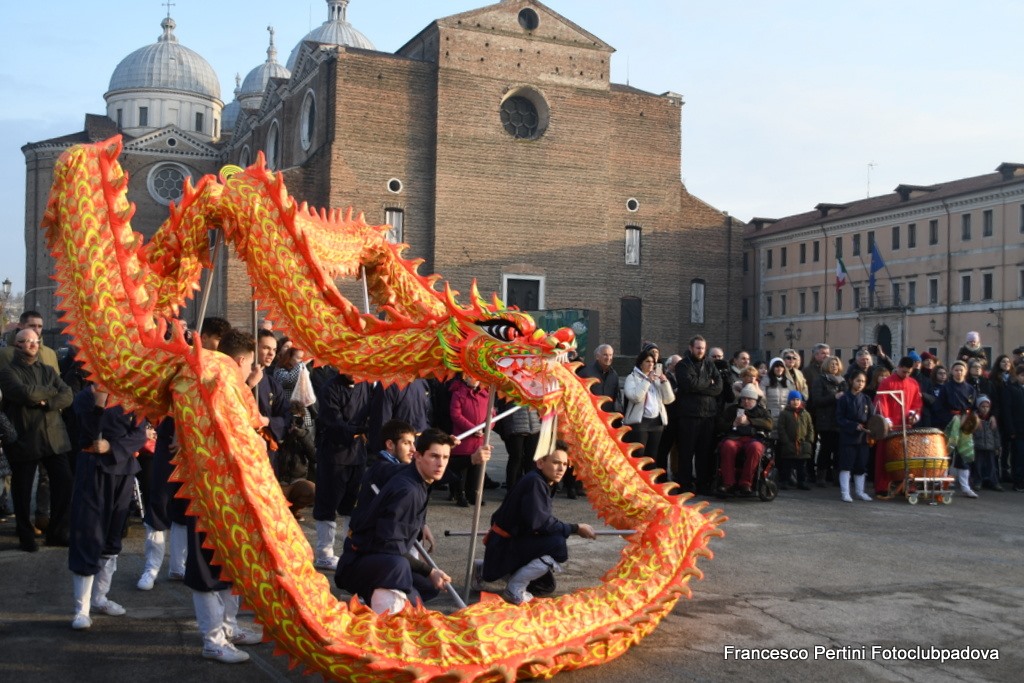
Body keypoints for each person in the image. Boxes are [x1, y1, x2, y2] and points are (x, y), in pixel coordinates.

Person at [184, 329, 263, 663]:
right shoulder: (207, 383)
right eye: (250, 366)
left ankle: (229, 628)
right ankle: (212, 639)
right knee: (206, 567)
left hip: (232, 492)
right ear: (241, 360)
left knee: (232, 562)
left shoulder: (233, 386)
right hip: (206, 487)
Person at [335, 429, 458, 614]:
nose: (440, 464)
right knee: (400, 569)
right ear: (417, 455)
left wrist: (472, 458)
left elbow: (441, 472)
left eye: (445, 457)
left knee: (428, 587)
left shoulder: (417, 476)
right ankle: (378, 615)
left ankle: (365, 599)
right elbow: (390, 546)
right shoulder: (407, 490)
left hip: (378, 558)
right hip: (358, 562)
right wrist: (430, 571)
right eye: (434, 456)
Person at [68, 385, 149, 630]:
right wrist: (99, 405)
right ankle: (81, 609)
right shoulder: (84, 397)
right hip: (93, 470)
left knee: (114, 535)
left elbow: (140, 433)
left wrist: (112, 448)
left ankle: (100, 597)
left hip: (123, 469)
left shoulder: (131, 395)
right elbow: (87, 432)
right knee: (88, 533)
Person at [480, 440, 596, 604]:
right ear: (540, 463)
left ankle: (487, 568)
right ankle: (513, 587)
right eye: (556, 462)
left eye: (564, 463)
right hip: (503, 544)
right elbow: (541, 523)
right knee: (557, 544)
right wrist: (575, 528)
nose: (561, 468)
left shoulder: (542, 481)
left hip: (505, 542)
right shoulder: (535, 482)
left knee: (545, 586)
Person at [0, 328, 74, 552]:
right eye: (26, 341)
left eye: (35, 341)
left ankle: (57, 532)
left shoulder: (49, 369)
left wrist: (48, 402)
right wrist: (49, 392)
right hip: (25, 438)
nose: (32, 344)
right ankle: (25, 535)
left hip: (54, 437)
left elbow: (67, 395)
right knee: (22, 491)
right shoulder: (7, 371)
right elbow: (24, 394)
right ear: (17, 345)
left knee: (65, 483)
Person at [312, 371, 372, 570]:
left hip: (358, 454)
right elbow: (333, 422)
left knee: (352, 506)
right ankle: (324, 552)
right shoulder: (330, 387)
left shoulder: (365, 384)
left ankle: (351, 549)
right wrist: (360, 429)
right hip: (334, 453)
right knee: (327, 504)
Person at [674, 335, 722, 494]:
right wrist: (708, 382)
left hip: (708, 415)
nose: (701, 351)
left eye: (703, 348)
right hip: (689, 416)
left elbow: (719, 387)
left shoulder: (709, 363)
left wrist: (701, 386)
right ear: (691, 348)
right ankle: (685, 485)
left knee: (704, 453)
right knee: (686, 453)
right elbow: (688, 385)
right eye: (698, 348)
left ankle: (703, 485)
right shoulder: (682, 365)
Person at [873, 356, 923, 497]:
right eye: (903, 371)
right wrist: (886, 420)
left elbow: (916, 403)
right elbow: (881, 402)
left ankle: (904, 484)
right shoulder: (887, 382)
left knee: (906, 457)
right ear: (899, 367)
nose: (906, 375)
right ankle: (883, 486)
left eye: (908, 372)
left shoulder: (913, 384)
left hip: (906, 426)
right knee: (886, 457)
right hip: (891, 426)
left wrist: (914, 415)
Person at [622, 349, 675, 473]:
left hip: (656, 422)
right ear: (641, 363)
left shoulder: (657, 379)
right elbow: (635, 397)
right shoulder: (632, 378)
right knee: (639, 456)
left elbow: (669, 399)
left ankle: (649, 486)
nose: (651, 364)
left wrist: (664, 382)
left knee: (652, 457)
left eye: (653, 362)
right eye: (647, 361)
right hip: (640, 423)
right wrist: (647, 380)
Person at [715, 384, 772, 497]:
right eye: (744, 399)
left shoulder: (761, 411)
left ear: (755, 400)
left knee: (755, 448)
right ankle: (728, 483)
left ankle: (746, 483)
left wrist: (750, 421)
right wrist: (732, 424)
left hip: (754, 438)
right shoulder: (732, 409)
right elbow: (719, 425)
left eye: (749, 399)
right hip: (735, 437)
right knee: (727, 446)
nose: (746, 401)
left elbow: (769, 424)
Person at [934, 360, 980, 498]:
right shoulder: (946, 388)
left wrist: (969, 419)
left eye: (961, 370)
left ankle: (965, 487)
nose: (959, 372)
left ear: (965, 372)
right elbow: (938, 408)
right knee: (946, 453)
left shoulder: (970, 389)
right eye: (956, 370)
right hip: (950, 423)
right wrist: (951, 419)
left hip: (965, 425)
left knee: (964, 455)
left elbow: (974, 408)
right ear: (952, 372)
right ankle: (942, 483)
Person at [447, 374, 493, 507]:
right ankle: (460, 494)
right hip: (464, 436)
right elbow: (456, 415)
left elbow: (492, 414)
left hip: (480, 438)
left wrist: (486, 427)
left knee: (477, 468)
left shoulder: (486, 393)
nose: (475, 380)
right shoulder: (458, 393)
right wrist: (473, 429)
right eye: (471, 377)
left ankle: (474, 494)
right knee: (462, 468)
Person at [836, 370, 876, 502]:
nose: (860, 384)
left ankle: (860, 491)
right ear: (851, 381)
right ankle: (845, 492)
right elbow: (839, 418)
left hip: (863, 437)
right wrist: (853, 425)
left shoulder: (866, 399)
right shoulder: (844, 399)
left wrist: (872, 427)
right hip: (848, 436)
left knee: (861, 465)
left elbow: (871, 418)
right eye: (858, 380)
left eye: (863, 381)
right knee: (846, 465)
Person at [809, 356, 847, 486]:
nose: (834, 366)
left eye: (836, 364)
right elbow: (817, 400)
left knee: (838, 450)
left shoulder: (842, 381)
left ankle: (837, 477)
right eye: (831, 364)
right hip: (825, 421)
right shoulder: (820, 380)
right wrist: (834, 397)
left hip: (839, 421)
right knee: (825, 449)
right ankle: (821, 477)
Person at [776, 391, 814, 490]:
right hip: (789, 444)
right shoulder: (784, 413)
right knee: (787, 465)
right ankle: (784, 481)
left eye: (797, 399)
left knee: (802, 466)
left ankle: (802, 482)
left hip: (803, 444)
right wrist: (785, 441)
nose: (795, 402)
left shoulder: (806, 414)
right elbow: (781, 428)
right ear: (789, 401)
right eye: (793, 400)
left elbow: (810, 428)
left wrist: (809, 441)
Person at [577, 344, 620, 413]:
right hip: (590, 416)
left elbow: (616, 398)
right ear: (597, 356)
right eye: (605, 355)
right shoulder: (585, 373)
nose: (608, 358)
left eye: (610, 355)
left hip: (607, 418)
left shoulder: (614, 375)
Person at [972, 396, 1002, 492]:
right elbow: (969, 433)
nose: (985, 409)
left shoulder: (991, 420)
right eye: (983, 407)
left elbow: (996, 434)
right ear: (978, 407)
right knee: (978, 465)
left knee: (992, 466)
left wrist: (997, 446)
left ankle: (994, 482)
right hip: (978, 445)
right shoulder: (974, 418)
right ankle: (977, 482)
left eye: (987, 407)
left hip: (990, 446)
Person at [1003, 365, 1024, 492]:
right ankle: (1018, 481)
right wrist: (1011, 430)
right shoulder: (1011, 389)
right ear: (1017, 376)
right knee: (1019, 457)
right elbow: (1007, 411)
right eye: (1022, 375)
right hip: (1018, 430)